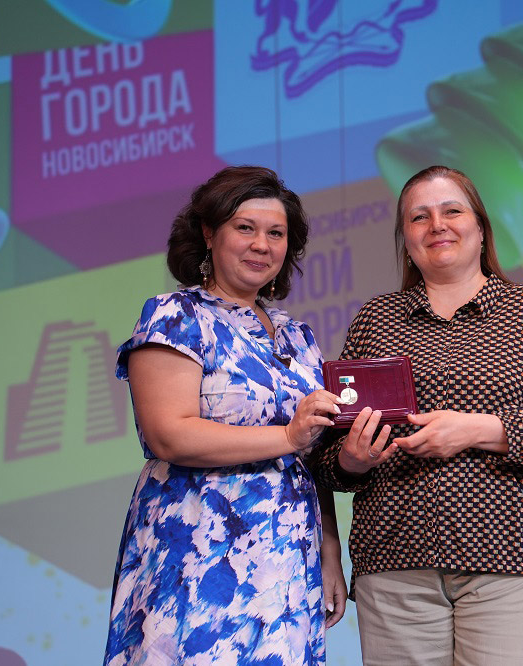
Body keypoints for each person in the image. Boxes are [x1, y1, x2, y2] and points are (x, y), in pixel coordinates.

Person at [309, 165, 523, 665]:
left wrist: (473, 430)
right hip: (394, 564)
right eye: (419, 217)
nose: (436, 224)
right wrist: (352, 459)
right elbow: (328, 459)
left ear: (480, 228)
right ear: (406, 240)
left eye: (452, 211)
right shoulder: (375, 320)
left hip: (509, 559)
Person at [103, 166, 347, 665]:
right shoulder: (175, 315)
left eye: (276, 233)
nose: (261, 245)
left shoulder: (297, 336)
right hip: (199, 549)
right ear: (209, 234)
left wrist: (330, 551)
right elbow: (169, 435)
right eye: (245, 228)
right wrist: (288, 437)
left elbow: (311, 454)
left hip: (287, 556)